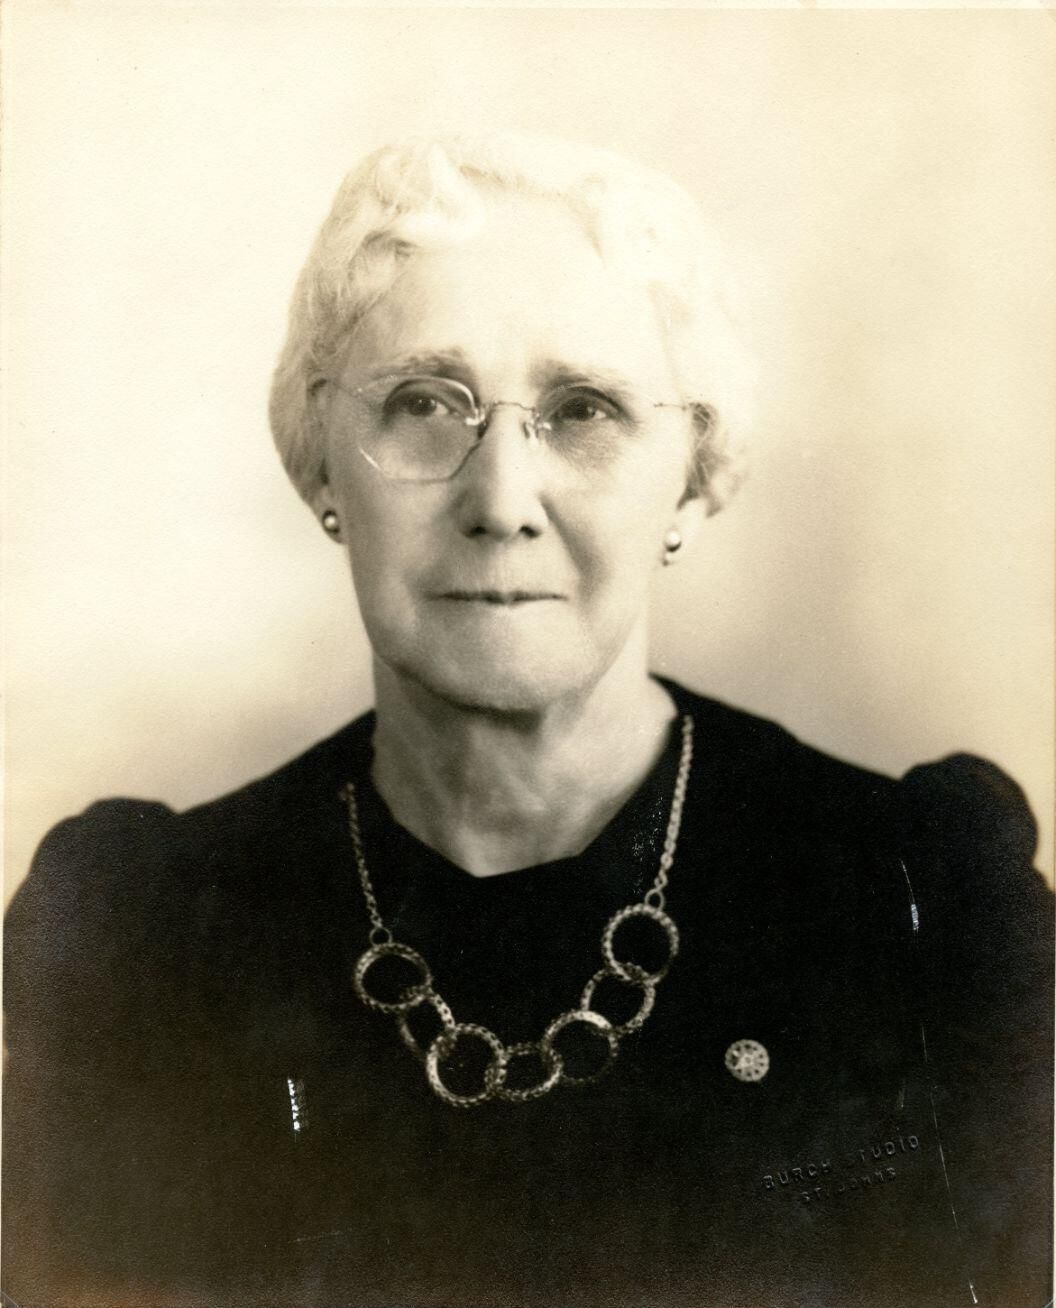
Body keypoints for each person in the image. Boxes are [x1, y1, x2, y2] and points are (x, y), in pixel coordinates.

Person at [4, 132, 1051, 1308]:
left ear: (692, 477)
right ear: (321, 465)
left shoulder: (921, 909)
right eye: (422, 404)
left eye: (584, 409)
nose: (501, 501)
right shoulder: (145, 944)